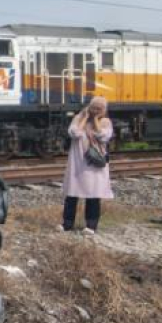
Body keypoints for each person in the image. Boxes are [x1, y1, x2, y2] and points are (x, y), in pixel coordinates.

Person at [59, 96, 114, 234]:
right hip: (78, 163)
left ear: (104, 110)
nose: (95, 111)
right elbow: (74, 133)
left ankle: (91, 226)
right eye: (93, 107)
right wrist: (84, 118)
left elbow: (103, 136)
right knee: (72, 194)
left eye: (99, 109)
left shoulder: (106, 122)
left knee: (93, 195)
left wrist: (95, 120)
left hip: (93, 164)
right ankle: (67, 224)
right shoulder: (78, 119)